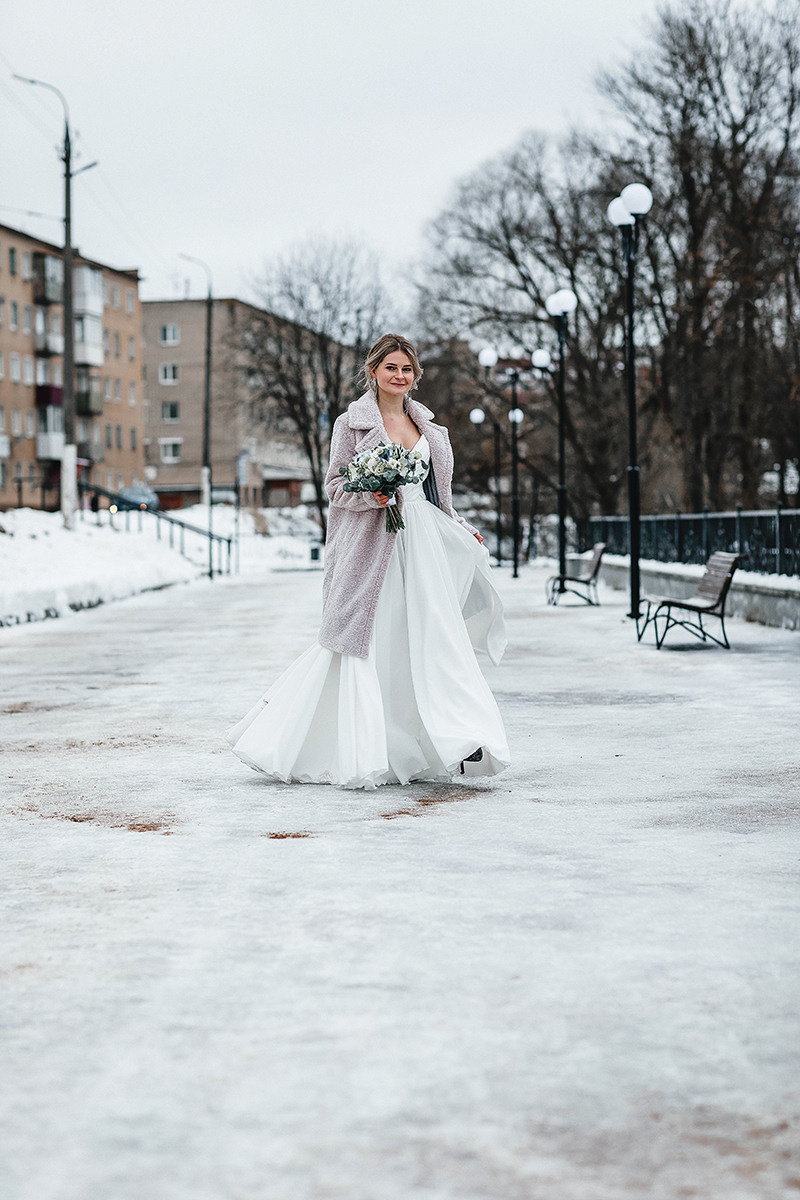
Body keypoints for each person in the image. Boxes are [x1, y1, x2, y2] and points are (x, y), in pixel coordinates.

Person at [227, 333, 510, 789]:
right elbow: (335, 486)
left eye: (407, 369)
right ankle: (361, 744)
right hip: (370, 545)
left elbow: (441, 497)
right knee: (373, 638)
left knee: (436, 637)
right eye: (391, 368)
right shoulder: (351, 424)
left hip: (424, 545)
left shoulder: (433, 432)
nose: (399, 376)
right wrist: (370, 494)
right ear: (374, 372)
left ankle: (458, 737)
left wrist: (460, 526)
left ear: (415, 376)